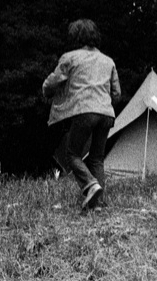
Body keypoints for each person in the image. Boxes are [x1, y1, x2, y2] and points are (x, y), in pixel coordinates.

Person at [42, 19, 121, 212]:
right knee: (96, 158)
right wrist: (105, 104)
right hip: (106, 114)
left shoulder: (70, 58)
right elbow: (117, 93)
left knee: (72, 155)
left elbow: (53, 82)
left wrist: (46, 91)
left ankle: (91, 185)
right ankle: (97, 203)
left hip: (84, 111)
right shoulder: (108, 61)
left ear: (75, 37)